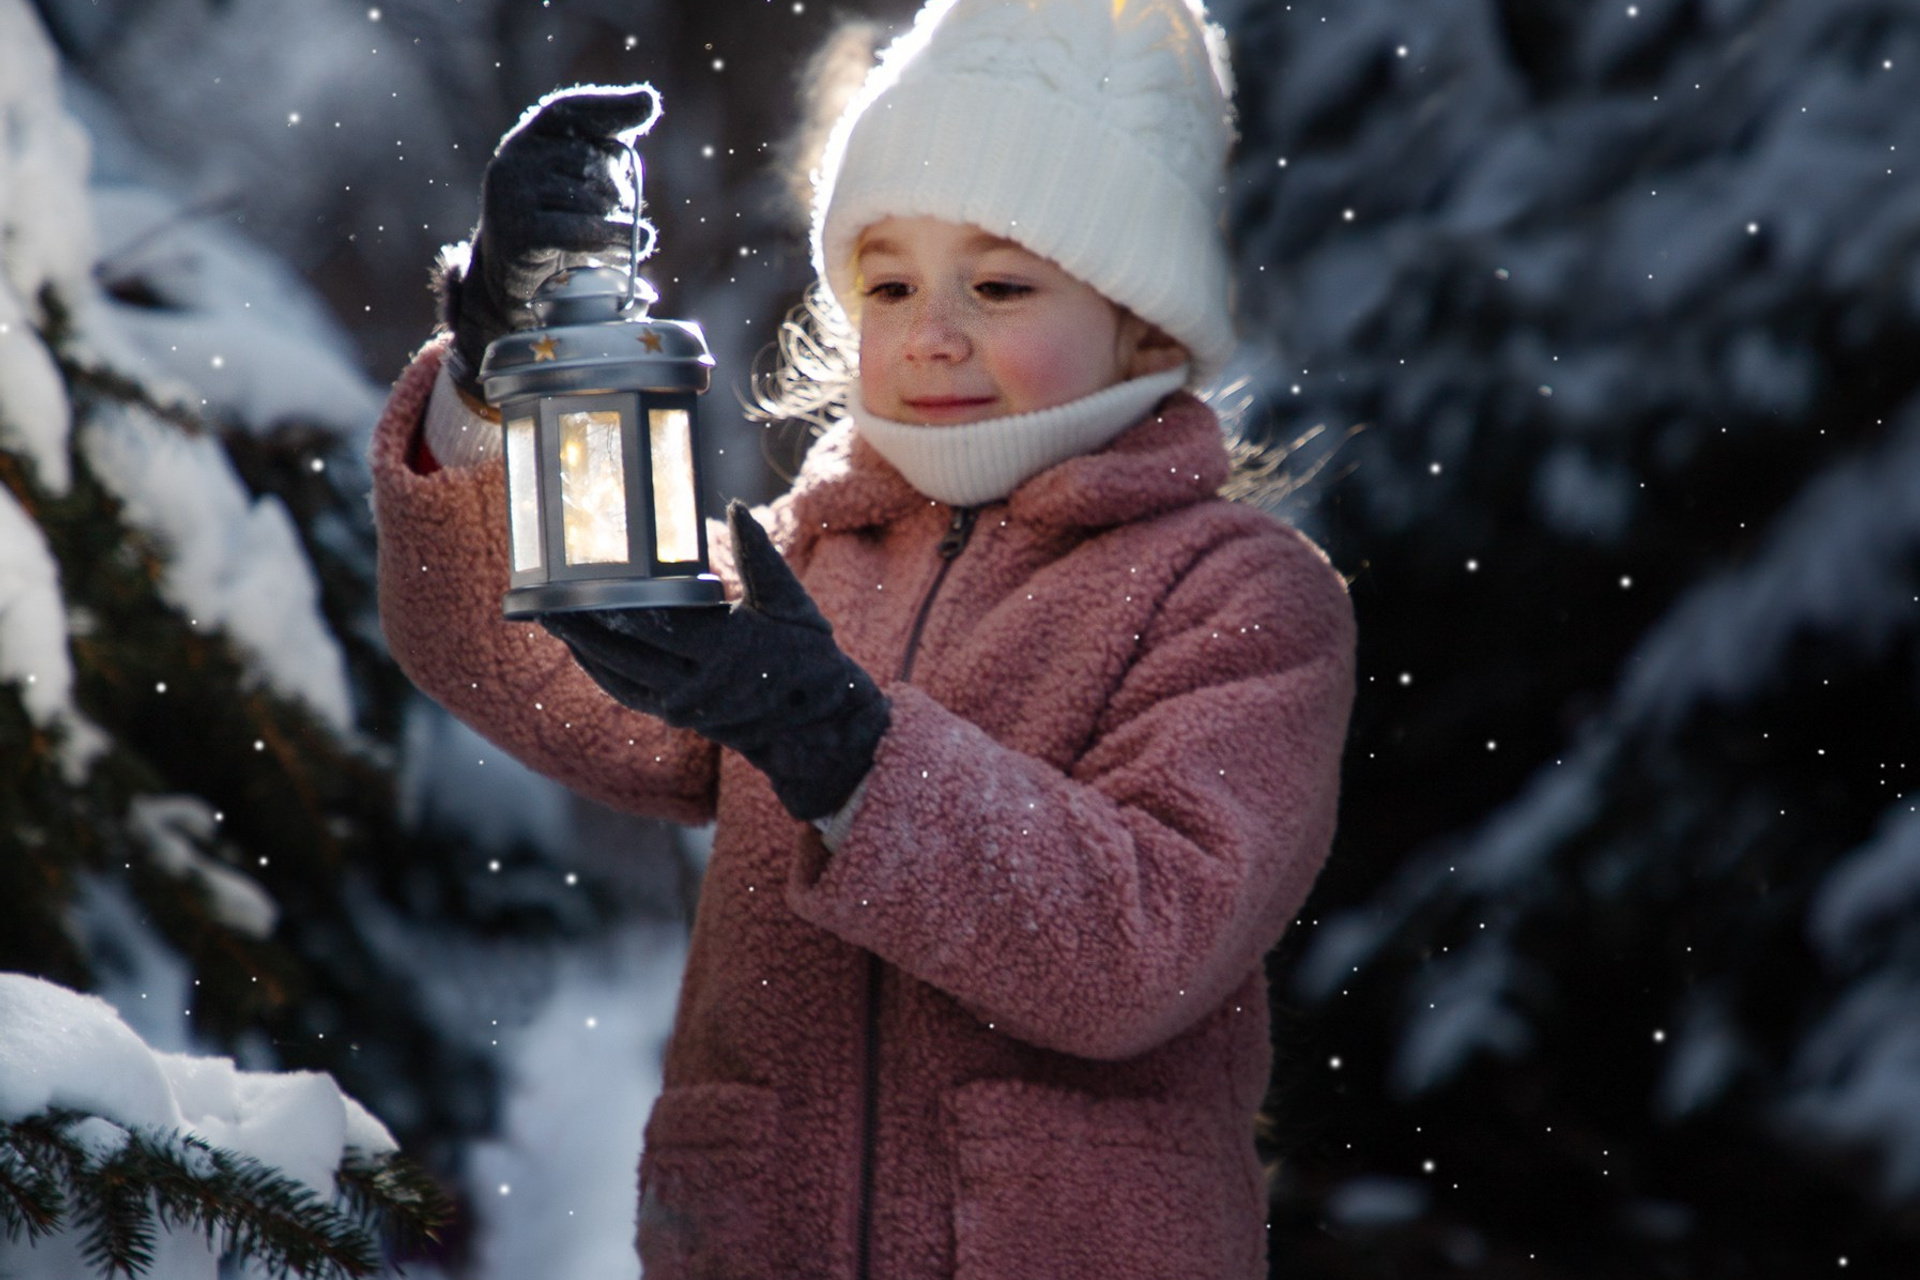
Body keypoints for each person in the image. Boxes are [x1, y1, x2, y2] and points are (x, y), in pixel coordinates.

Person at [368, 0, 1357, 1275]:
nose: (932, 331)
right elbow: (526, 657)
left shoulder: (1239, 594)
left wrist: (853, 754)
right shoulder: (812, 560)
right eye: (888, 282)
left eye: (999, 284)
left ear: (1147, 324)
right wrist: (505, 363)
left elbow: (1143, 947)